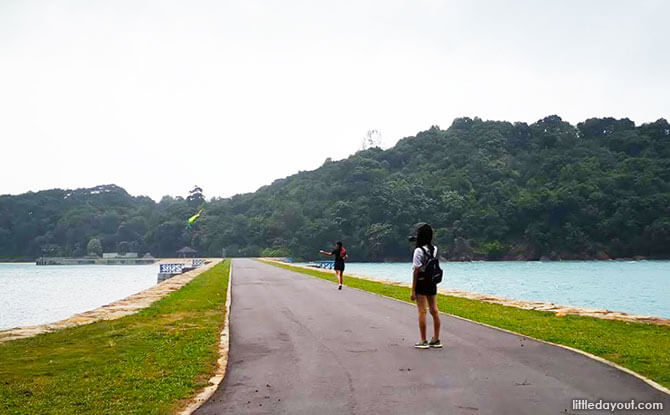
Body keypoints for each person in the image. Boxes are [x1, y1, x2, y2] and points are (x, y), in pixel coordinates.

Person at [410, 224, 442, 349]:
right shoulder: (434, 249)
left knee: (422, 310)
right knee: (434, 310)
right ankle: (436, 338)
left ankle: (423, 340)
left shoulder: (418, 251)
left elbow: (416, 271)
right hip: (432, 282)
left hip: (422, 282)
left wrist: (413, 290)